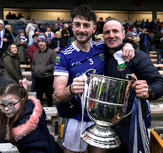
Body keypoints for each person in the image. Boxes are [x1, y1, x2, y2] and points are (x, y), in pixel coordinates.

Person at [53, 5, 134, 153]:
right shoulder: (63, 56)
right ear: (72, 26)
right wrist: (71, 89)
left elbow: (118, 42)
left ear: (94, 29)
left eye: (86, 25)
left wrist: (129, 44)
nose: (81, 29)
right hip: (76, 118)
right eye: (77, 24)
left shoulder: (102, 47)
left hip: (101, 119)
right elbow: (58, 95)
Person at [103, 18, 163, 153]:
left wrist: (149, 91)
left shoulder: (136, 56)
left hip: (131, 123)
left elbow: (159, 83)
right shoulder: (100, 54)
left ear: (123, 34)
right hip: (105, 121)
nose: (111, 35)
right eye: (107, 32)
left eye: (115, 31)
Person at [0, 83, 63, 153]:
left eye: (11, 104)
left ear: (22, 101)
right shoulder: (27, 106)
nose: (6, 109)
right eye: (2, 105)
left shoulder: (29, 130)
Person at [32, 35, 56, 107]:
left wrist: (45, 68)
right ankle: (39, 110)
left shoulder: (52, 52)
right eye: (39, 42)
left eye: (42, 41)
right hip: (38, 77)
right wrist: (35, 69)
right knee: (38, 95)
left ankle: (50, 108)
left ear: (45, 43)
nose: (40, 43)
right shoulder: (36, 53)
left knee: (48, 95)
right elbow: (33, 63)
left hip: (47, 77)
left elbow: (56, 63)